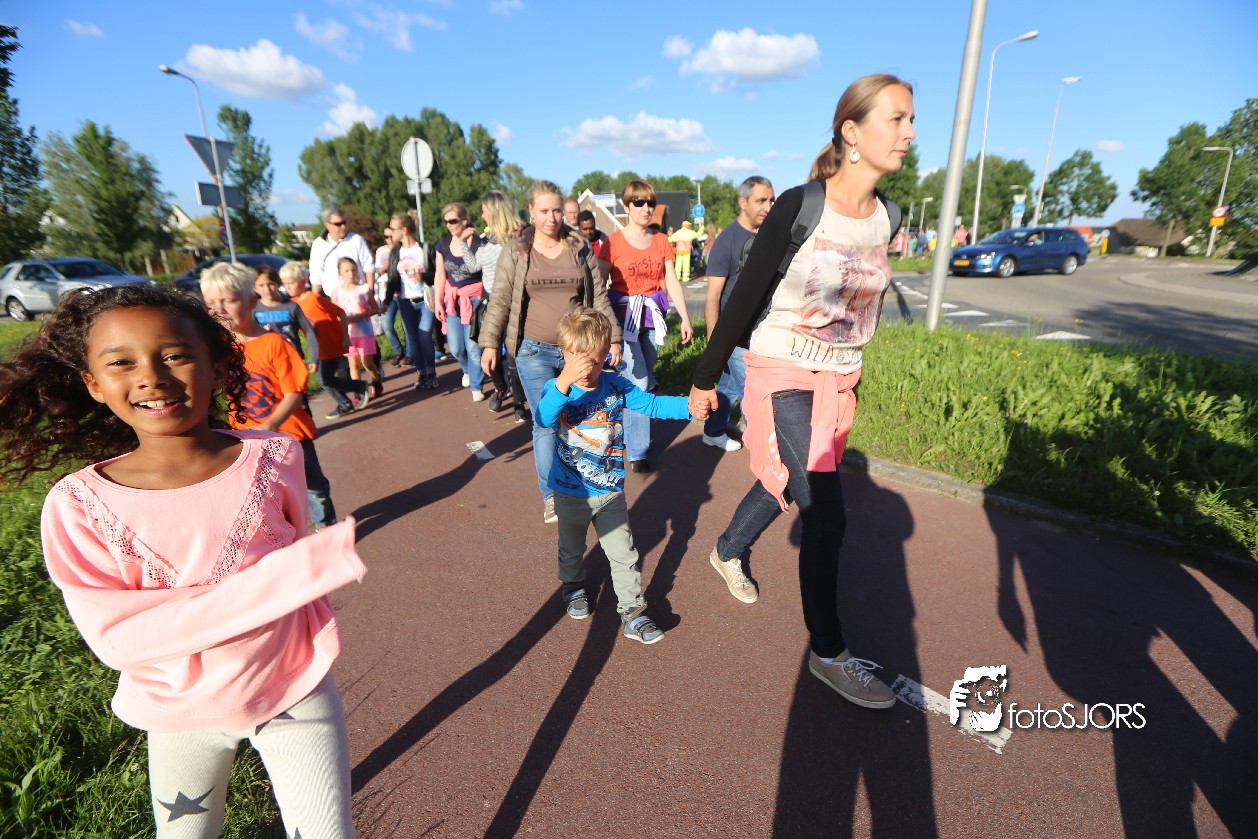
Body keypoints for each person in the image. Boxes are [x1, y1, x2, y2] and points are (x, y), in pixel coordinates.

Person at [0, 284, 364, 838]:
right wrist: (296, 574)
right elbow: (119, 640)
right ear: (93, 384)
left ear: (218, 367)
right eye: (121, 362)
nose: (151, 376)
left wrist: (293, 576)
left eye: (174, 355)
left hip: (294, 689)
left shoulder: (276, 456)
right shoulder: (77, 505)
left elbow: (294, 555)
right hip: (179, 714)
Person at [688, 73, 916, 710]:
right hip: (782, 367)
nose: (909, 133)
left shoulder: (890, 217)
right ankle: (829, 652)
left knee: (788, 478)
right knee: (826, 512)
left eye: (911, 120)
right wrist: (705, 378)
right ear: (852, 131)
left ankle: (728, 549)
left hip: (839, 377)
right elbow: (743, 299)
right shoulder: (800, 206)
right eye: (896, 119)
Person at [537, 307, 693, 644]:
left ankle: (633, 612)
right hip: (570, 491)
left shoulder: (615, 385)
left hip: (610, 492)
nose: (585, 371)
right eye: (576, 360)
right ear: (564, 354)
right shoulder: (558, 388)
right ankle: (573, 586)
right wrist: (564, 381)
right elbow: (543, 418)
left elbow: (651, 405)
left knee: (624, 553)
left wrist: (690, 407)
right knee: (571, 548)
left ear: (607, 354)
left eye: (594, 362)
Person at [478, 180, 623, 524]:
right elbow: (500, 299)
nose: (552, 217)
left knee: (579, 418)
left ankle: (583, 482)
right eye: (544, 211)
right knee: (545, 422)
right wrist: (489, 343)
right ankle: (552, 496)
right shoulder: (517, 250)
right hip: (533, 351)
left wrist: (614, 338)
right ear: (531, 211)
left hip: (578, 349)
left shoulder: (579, 246)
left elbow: (598, 297)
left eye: (557, 210)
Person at [201, 262, 337, 530]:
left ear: (252, 302)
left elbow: (294, 392)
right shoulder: (220, 349)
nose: (219, 309)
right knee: (266, 493)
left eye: (228, 300)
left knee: (312, 485)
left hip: (288, 435)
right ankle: (284, 536)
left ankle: (326, 526)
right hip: (246, 438)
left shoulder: (274, 343)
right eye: (211, 303)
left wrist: (271, 425)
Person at [603, 179, 694, 474]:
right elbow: (598, 285)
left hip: (653, 317)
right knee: (639, 380)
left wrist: (685, 317)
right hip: (623, 318)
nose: (646, 208)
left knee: (642, 374)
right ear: (626, 206)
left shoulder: (660, 241)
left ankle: (617, 417)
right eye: (639, 202)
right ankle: (638, 451)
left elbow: (671, 280)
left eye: (650, 203)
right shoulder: (613, 242)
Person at [702, 175, 776, 452]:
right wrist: (714, 342)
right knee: (751, 391)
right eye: (761, 201)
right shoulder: (726, 242)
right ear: (743, 203)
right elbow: (713, 296)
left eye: (771, 200)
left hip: (764, 330)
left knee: (729, 386)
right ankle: (763, 450)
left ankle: (712, 431)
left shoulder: (771, 235)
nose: (768, 207)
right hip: (736, 334)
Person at [280, 261, 371, 419]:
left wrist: (345, 337)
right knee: (326, 379)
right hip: (318, 348)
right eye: (285, 283)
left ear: (303, 280)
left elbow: (341, 313)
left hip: (331, 343)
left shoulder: (314, 298)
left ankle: (350, 396)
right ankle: (354, 391)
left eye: (291, 282)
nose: (287, 287)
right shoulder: (292, 303)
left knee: (324, 380)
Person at [472, 190, 529, 416]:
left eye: (484, 211)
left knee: (514, 355)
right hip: (490, 302)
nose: (482, 216)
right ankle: (500, 386)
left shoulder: (520, 239)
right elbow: (474, 267)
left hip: (515, 303)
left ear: (495, 211)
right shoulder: (485, 241)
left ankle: (519, 403)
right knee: (486, 348)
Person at [433, 202, 488, 402]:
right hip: (452, 301)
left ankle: (476, 386)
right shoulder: (443, 245)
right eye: (446, 221)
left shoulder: (479, 243)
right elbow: (440, 274)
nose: (449, 225)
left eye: (453, 220)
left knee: (473, 347)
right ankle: (466, 370)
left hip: (474, 299)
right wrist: (438, 301)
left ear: (465, 220)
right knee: (456, 348)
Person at [388, 212, 438, 390]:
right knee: (413, 339)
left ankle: (431, 373)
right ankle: (422, 373)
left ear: (404, 230)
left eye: (393, 228)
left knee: (424, 336)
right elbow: (392, 278)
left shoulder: (425, 249)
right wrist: (386, 301)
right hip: (405, 302)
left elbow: (438, 273)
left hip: (425, 299)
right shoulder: (395, 252)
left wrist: (423, 276)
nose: (390, 232)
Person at [330, 256, 382, 401]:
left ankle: (376, 379)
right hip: (348, 333)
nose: (351, 274)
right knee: (353, 364)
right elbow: (333, 312)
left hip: (364, 332)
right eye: (346, 271)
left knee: (367, 363)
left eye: (353, 270)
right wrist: (340, 320)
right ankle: (359, 393)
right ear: (340, 273)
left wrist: (359, 316)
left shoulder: (363, 289)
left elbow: (375, 309)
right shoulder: (337, 292)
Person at [252, 264, 319, 370]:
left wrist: (314, 359)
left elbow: (309, 332)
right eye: (261, 285)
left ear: (278, 283)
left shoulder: (291, 307)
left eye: (271, 284)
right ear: (254, 288)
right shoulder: (253, 309)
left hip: (293, 360)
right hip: (267, 363)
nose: (267, 288)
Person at [309, 207, 374, 297]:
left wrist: (370, 294)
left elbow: (369, 267)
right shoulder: (319, 244)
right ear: (327, 225)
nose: (343, 227)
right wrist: (315, 298)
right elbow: (316, 274)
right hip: (331, 297)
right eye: (338, 224)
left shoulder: (356, 240)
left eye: (344, 223)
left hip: (357, 296)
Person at [377, 224, 408, 367]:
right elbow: (378, 270)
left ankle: (410, 353)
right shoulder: (381, 250)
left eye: (391, 236)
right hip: (387, 292)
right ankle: (398, 350)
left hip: (403, 292)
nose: (389, 239)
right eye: (386, 237)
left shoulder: (403, 249)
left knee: (407, 325)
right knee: (387, 324)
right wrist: (384, 268)